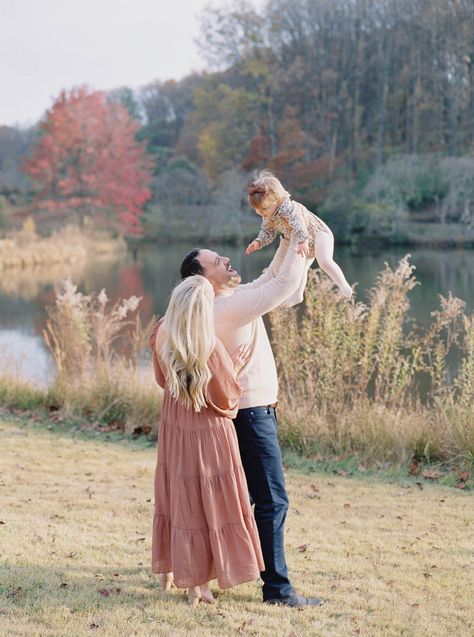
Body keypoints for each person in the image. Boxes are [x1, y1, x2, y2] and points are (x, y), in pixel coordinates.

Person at [179, 236, 324, 608]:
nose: (226, 260)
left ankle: (225, 572)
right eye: (216, 261)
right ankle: (277, 590)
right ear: (203, 279)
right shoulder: (224, 308)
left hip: (248, 412)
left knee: (245, 500)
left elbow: (269, 279)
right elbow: (283, 285)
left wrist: (291, 240)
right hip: (251, 414)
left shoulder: (228, 302)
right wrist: (297, 232)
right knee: (272, 500)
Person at [149, 275, 264, 606]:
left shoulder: (161, 334)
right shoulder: (209, 347)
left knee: (181, 499)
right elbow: (226, 401)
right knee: (210, 502)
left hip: (175, 426)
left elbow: (162, 379)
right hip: (208, 432)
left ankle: (189, 580)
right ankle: (199, 585)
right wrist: (236, 365)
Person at [246, 169, 352, 306]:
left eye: (263, 209)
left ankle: (343, 285)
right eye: (258, 210)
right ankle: (297, 296)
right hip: (304, 243)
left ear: (276, 200)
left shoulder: (288, 208)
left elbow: (298, 222)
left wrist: (303, 240)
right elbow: (267, 232)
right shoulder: (268, 216)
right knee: (301, 271)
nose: (261, 213)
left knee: (324, 261)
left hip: (318, 234)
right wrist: (258, 242)